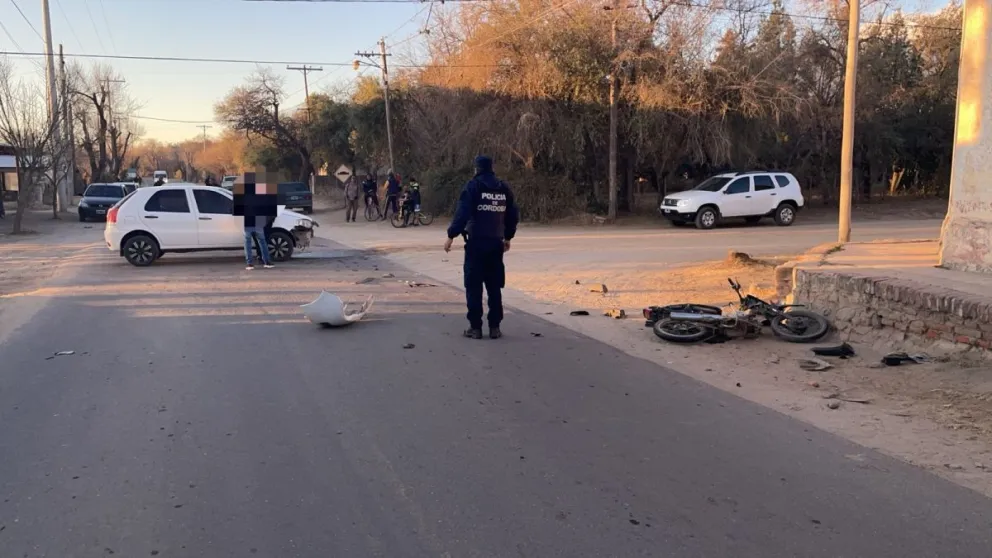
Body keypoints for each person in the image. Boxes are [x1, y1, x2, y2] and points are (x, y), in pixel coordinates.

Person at [444, 155, 519, 340]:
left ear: (476, 169)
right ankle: (495, 328)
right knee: (494, 286)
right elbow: (512, 215)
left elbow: (462, 212)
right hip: (496, 244)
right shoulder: (503, 188)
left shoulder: (473, 187)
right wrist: (508, 237)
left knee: (473, 286)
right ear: (491, 168)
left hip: (476, 243)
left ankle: (475, 328)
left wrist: (451, 235)